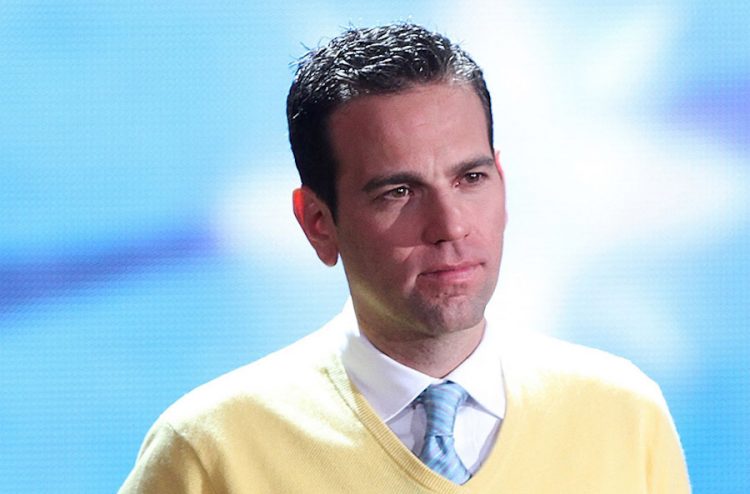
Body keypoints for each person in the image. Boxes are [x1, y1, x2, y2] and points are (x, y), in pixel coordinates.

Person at [119, 23, 691, 493]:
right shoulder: (211, 451)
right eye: (399, 191)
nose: (451, 226)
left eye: (470, 178)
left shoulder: (624, 414)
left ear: (502, 181)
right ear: (318, 223)